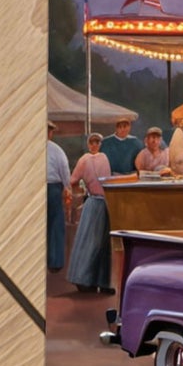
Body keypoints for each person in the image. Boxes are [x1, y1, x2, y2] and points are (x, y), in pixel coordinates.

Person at [67, 133, 113, 293]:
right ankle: (85, 279)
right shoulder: (84, 160)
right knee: (91, 241)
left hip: (105, 202)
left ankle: (101, 281)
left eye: (97, 142)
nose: (94, 145)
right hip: (94, 202)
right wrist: (84, 187)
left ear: (100, 144)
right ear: (88, 144)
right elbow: (72, 180)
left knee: (103, 243)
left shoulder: (105, 157)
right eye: (92, 142)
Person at [46, 122, 71, 270]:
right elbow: (64, 170)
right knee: (55, 224)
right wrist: (67, 187)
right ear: (50, 133)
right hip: (53, 189)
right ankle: (54, 263)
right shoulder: (56, 150)